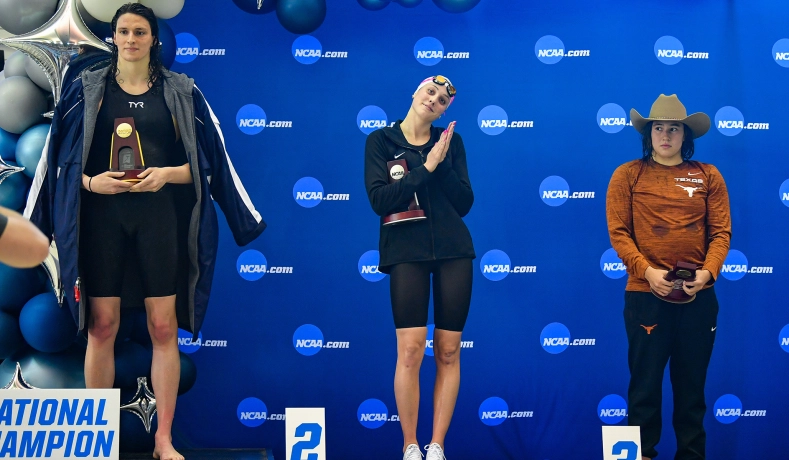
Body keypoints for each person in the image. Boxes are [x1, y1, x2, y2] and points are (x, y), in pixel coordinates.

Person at [24, 4, 266, 459]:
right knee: (101, 327)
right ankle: (96, 440)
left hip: (160, 221)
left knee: (162, 328)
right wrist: (91, 184)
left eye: (140, 31)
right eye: (123, 31)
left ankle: (163, 440)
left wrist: (166, 176)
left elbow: (211, 162)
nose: (131, 38)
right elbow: (56, 162)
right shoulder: (85, 89)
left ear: (153, 39)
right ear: (112, 37)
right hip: (102, 222)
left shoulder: (182, 91)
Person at [606, 94, 731, 460]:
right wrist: (647, 271)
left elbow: (721, 232)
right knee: (643, 390)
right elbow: (619, 233)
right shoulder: (627, 174)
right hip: (645, 295)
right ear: (649, 134)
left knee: (692, 393)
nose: (665, 135)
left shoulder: (709, 175)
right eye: (658, 128)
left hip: (698, 299)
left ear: (685, 135)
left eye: (673, 128)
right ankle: (639, 455)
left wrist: (708, 273)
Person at [364, 76, 474, 460]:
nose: (434, 100)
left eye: (443, 100)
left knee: (448, 350)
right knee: (410, 351)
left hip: (453, 250)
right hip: (405, 251)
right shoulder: (380, 141)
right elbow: (381, 199)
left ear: (445, 111)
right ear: (414, 92)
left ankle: (437, 446)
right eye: (430, 92)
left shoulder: (451, 142)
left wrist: (441, 163)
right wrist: (426, 166)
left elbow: (464, 203)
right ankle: (410, 445)